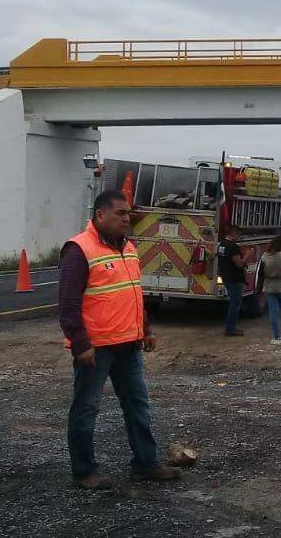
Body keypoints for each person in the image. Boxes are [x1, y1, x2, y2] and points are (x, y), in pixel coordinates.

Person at [58, 189, 181, 489]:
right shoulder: (79, 249)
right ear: (100, 215)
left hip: (128, 344)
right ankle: (84, 472)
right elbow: (68, 305)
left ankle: (145, 463)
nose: (127, 218)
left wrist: (146, 329)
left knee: (138, 406)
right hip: (96, 349)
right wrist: (80, 344)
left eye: (128, 213)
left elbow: (133, 293)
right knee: (86, 409)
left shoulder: (128, 247)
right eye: (120, 213)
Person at [217, 225, 247, 336]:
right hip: (234, 279)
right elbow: (239, 264)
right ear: (233, 233)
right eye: (238, 235)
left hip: (226, 277)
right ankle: (230, 329)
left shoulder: (222, 245)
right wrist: (248, 256)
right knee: (235, 304)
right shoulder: (233, 247)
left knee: (234, 303)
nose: (239, 237)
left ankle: (230, 328)